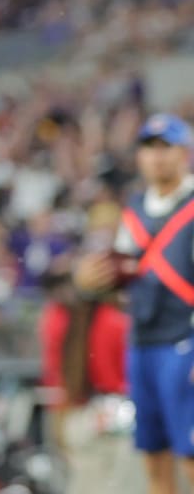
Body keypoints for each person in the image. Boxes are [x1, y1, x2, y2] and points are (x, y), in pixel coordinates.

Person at [75, 113, 194, 494]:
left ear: (184, 153)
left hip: (184, 342)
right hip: (143, 343)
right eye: (149, 148)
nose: (157, 157)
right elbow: (125, 278)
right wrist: (91, 281)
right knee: (153, 455)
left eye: (166, 147)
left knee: (190, 456)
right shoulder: (136, 207)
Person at [40, 262, 142, 494]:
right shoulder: (120, 323)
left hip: (78, 418)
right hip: (117, 420)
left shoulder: (60, 321)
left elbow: (57, 377)